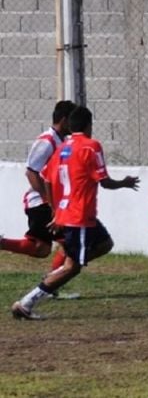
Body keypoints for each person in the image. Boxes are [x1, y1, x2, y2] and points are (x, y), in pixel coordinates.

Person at [11, 106, 140, 320]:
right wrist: (124, 183)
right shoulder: (91, 146)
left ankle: (60, 270)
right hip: (78, 215)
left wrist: (55, 210)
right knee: (72, 267)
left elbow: (48, 180)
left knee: (105, 244)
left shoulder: (62, 148)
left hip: (74, 214)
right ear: (89, 125)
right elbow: (104, 182)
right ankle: (27, 302)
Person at [1, 101, 76, 271]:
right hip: (41, 203)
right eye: (72, 120)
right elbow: (31, 172)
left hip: (50, 203)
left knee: (40, 249)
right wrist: (49, 201)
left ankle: (49, 285)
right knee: (71, 241)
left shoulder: (61, 141)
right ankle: (50, 285)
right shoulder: (47, 141)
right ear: (64, 120)